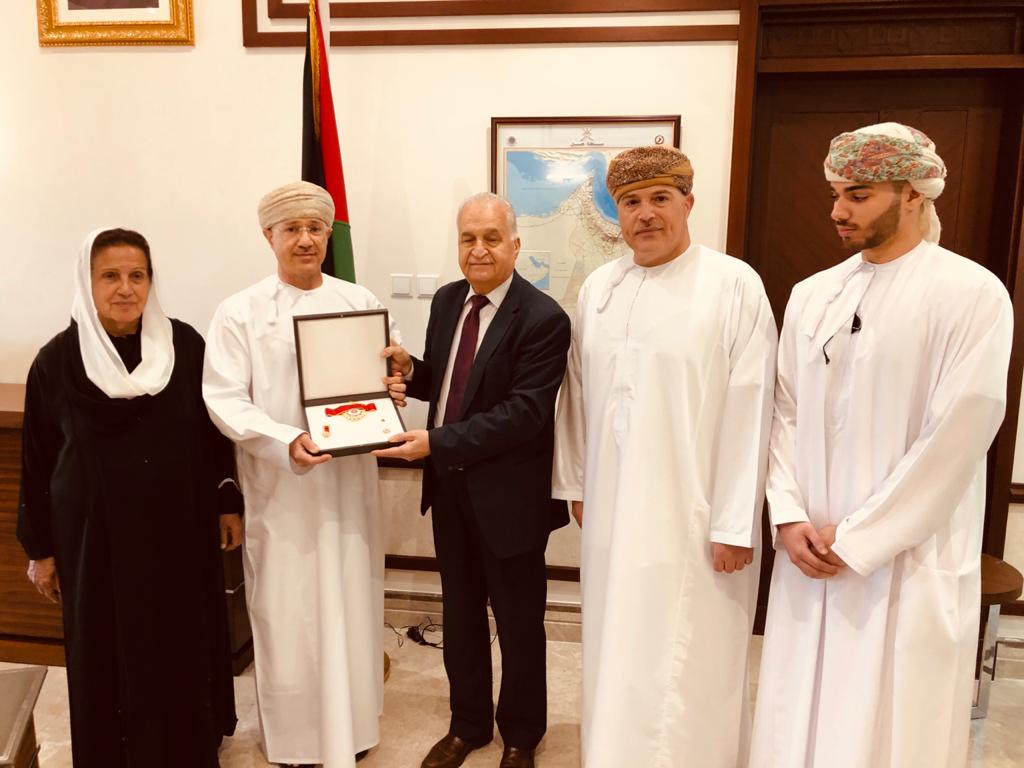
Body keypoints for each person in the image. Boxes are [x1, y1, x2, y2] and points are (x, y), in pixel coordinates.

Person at [749, 123, 1013, 768]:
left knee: (893, 721)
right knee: (801, 708)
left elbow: (960, 430)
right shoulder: (813, 294)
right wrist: (789, 515)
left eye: (859, 195)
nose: (838, 210)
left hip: (906, 555)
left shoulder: (972, 294)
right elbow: (783, 412)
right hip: (809, 549)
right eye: (836, 193)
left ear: (914, 193)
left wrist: (861, 536)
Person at [552, 146, 778, 768]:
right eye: (630, 202)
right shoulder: (599, 288)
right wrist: (578, 483)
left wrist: (735, 522)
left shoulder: (733, 284)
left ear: (688, 203)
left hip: (696, 518)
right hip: (612, 508)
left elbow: (753, 406)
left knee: (690, 656)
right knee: (616, 643)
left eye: (659, 199)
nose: (645, 214)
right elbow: (578, 393)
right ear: (616, 214)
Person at [18, 227, 241, 768]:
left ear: (150, 281)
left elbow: (213, 435)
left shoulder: (185, 346)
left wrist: (226, 501)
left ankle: (188, 748)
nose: (125, 288)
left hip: (178, 532)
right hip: (94, 543)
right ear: (87, 282)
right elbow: (37, 459)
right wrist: (40, 549)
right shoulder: (57, 360)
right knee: (106, 648)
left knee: (180, 637)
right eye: (110, 276)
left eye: (137, 275)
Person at [203, 181, 396, 768]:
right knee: (287, 612)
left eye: (316, 228)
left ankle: (354, 727)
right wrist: (285, 440)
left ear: (328, 234)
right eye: (292, 229)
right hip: (282, 491)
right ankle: (294, 740)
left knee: (353, 600)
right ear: (269, 236)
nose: (306, 240)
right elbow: (224, 399)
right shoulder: (239, 312)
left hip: (349, 486)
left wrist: (390, 390)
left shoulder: (359, 300)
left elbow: (381, 377)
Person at [375, 192, 570, 768]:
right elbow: (454, 385)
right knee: (459, 617)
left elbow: (523, 413)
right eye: (468, 238)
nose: (478, 249)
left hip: (510, 500)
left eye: (491, 238)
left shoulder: (544, 318)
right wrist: (413, 372)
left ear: (515, 244)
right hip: (450, 490)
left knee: (518, 623)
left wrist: (435, 442)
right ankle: (468, 725)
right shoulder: (447, 300)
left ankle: (521, 736)